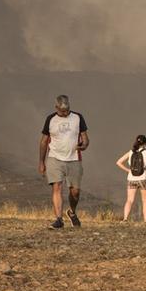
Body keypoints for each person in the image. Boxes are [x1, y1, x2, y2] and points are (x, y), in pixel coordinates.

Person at [38, 95, 89, 229]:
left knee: (75, 191)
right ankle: (59, 219)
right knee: (57, 187)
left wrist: (84, 145)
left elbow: (85, 138)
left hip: (74, 158)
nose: (65, 113)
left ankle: (71, 212)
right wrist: (41, 162)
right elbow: (43, 141)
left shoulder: (78, 117)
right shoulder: (50, 119)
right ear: (56, 108)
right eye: (62, 111)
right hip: (54, 158)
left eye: (67, 110)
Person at [115, 135, 146, 222]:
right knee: (145, 201)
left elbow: (118, 162)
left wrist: (128, 170)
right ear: (145, 143)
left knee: (129, 200)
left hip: (131, 178)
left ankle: (125, 218)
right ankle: (145, 220)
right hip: (144, 179)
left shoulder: (130, 152)